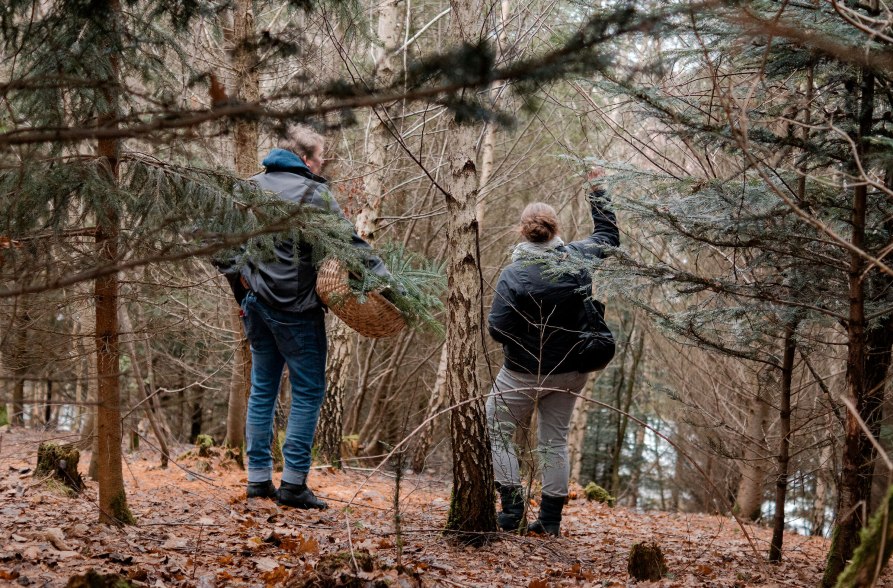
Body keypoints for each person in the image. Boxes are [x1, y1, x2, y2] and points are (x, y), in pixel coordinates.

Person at [217, 125, 391, 509]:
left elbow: (217, 243)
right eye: (320, 156)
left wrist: (241, 283)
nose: (323, 162)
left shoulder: (248, 187)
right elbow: (349, 243)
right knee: (308, 392)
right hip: (296, 310)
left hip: (255, 307)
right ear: (306, 159)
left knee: (263, 389)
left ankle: (258, 480)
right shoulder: (314, 193)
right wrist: (389, 284)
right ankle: (293, 485)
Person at [486, 167, 619, 535]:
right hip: (573, 370)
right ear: (555, 229)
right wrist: (597, 189)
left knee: (497, 427)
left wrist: (526, 339)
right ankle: (549, 521)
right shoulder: (578, 258)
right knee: (554, 440)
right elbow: (609, 236)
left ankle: (511, 510)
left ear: (522, 231)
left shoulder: (514, 275)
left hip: (522, 372)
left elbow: (497, 328)